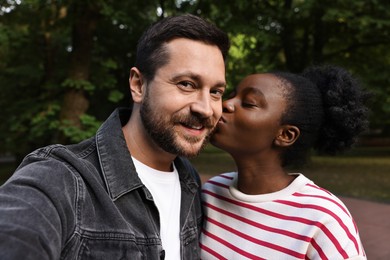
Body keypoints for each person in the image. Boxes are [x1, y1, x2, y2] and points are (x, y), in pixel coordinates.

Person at [0, 14, 229, 259]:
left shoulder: (189, 181)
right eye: (186, 84)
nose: (206, 108)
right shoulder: (60, 180)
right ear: (139, 85)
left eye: (216, 91)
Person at [200, 65, 369, 259]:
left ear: (285, 135)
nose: (226, 104)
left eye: (248, 103)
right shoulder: (210, 192)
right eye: (231, 95)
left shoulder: (323, 218)